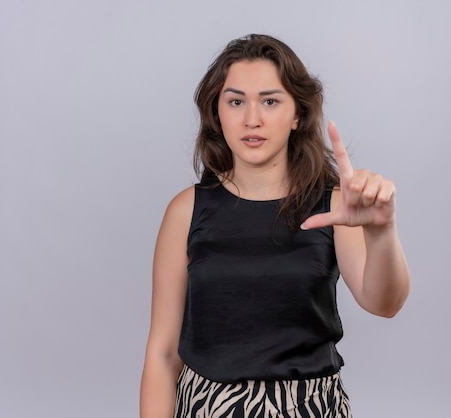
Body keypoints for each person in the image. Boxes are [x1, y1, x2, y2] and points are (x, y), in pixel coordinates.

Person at [140, 34, 410, 417]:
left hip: (311, 408)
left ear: (297, 114)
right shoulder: (186, 210)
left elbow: (385, 304)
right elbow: (163, 353)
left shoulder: (335, 205)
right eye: (236, 102)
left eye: (270, 101)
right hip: (209, 408)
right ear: (217, 113)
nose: (252, 119)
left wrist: (382, 230)